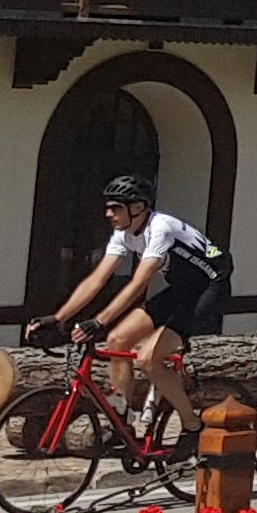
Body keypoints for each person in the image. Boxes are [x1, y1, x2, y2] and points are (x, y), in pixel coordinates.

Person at [35, 175, 230, 442]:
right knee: (117, 339)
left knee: (149, 359)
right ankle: (122, 423)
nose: (108, 214)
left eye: (115, 207)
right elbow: (96, 279)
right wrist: (58, 317)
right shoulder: (123, 233)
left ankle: (192, 427)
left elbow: (139, 282)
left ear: (137, 208)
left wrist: (99, 321)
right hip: (182, 289)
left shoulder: (162, 228)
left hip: (210, 289)